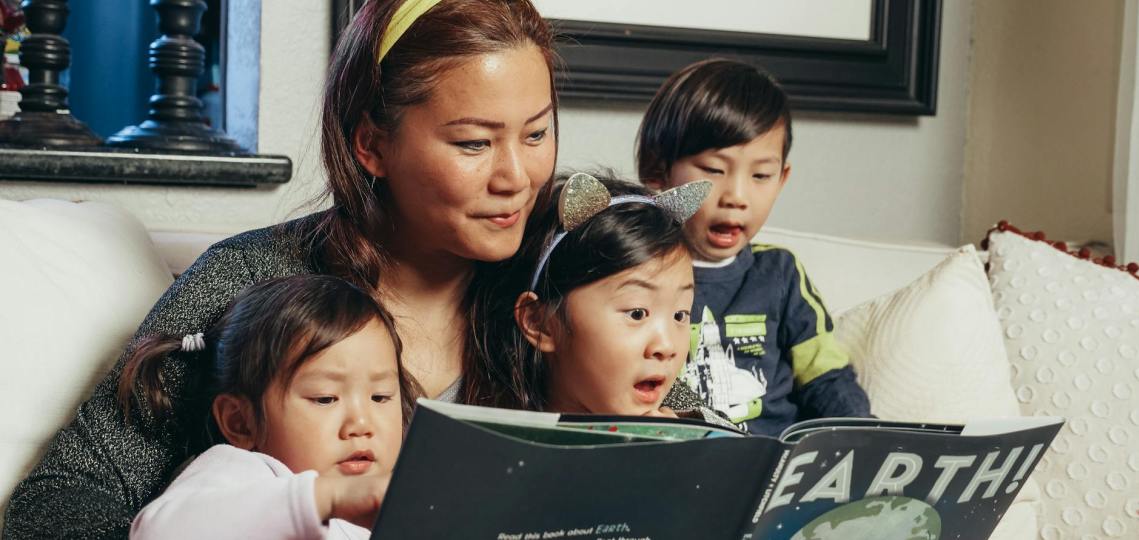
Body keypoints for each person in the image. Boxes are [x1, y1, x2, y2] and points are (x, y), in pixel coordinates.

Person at [2, 0, 560, 536]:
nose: (516, 177)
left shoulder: (559, 283)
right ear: (371, 144)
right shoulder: (252, 280)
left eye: (536, 134)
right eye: (473, 143)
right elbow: (56, 505)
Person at [635, 59, 872, 436]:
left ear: (782, 179)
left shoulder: (780, 273)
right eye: (713, 170)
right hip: (682, 453)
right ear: (658, 171)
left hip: (774, 456)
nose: (737, 196)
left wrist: (865, 437)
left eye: (761, 175)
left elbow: (826, 377)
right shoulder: (636, 272)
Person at [124, 275, 416, 539]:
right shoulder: (244, 474)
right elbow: (157, 533)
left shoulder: (397, 503)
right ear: (241, 422)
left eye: (380, 397)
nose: (361, 424)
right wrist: (328, 498)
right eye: (325, 398)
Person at [474, 171, 727, 423]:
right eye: (637, 313)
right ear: (540, 322)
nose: (666, 346)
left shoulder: (697, 427)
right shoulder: (489, 428)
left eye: (680, 315)